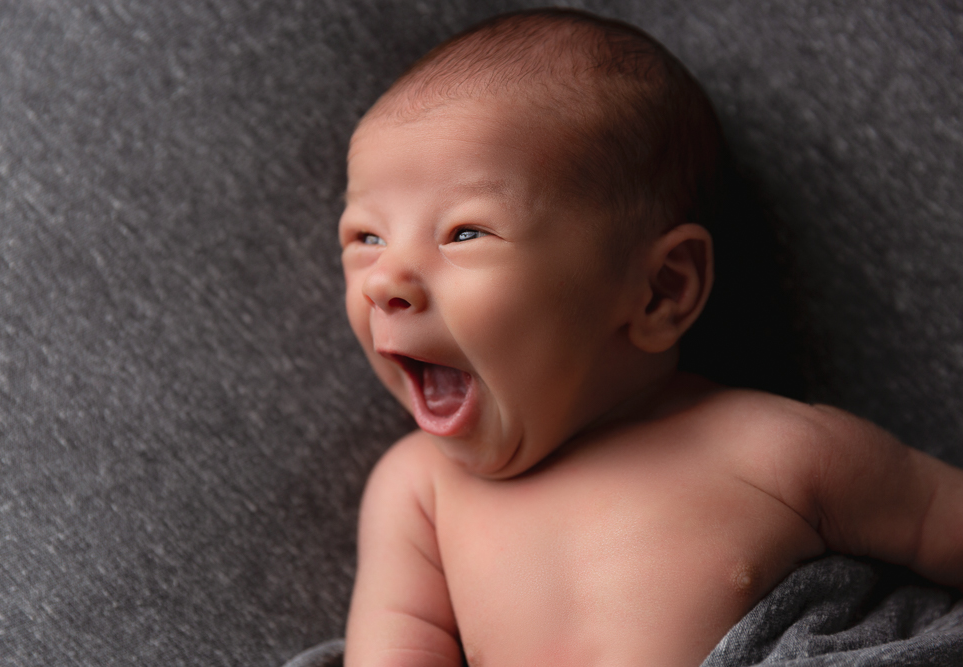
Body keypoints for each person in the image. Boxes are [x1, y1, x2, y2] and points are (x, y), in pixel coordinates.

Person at [337, 9, 963, 667]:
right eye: (365, 237)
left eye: (465, 232)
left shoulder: (779, 450)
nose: (384, 280)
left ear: (661, 290)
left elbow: (942, 519)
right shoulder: (418, 491)